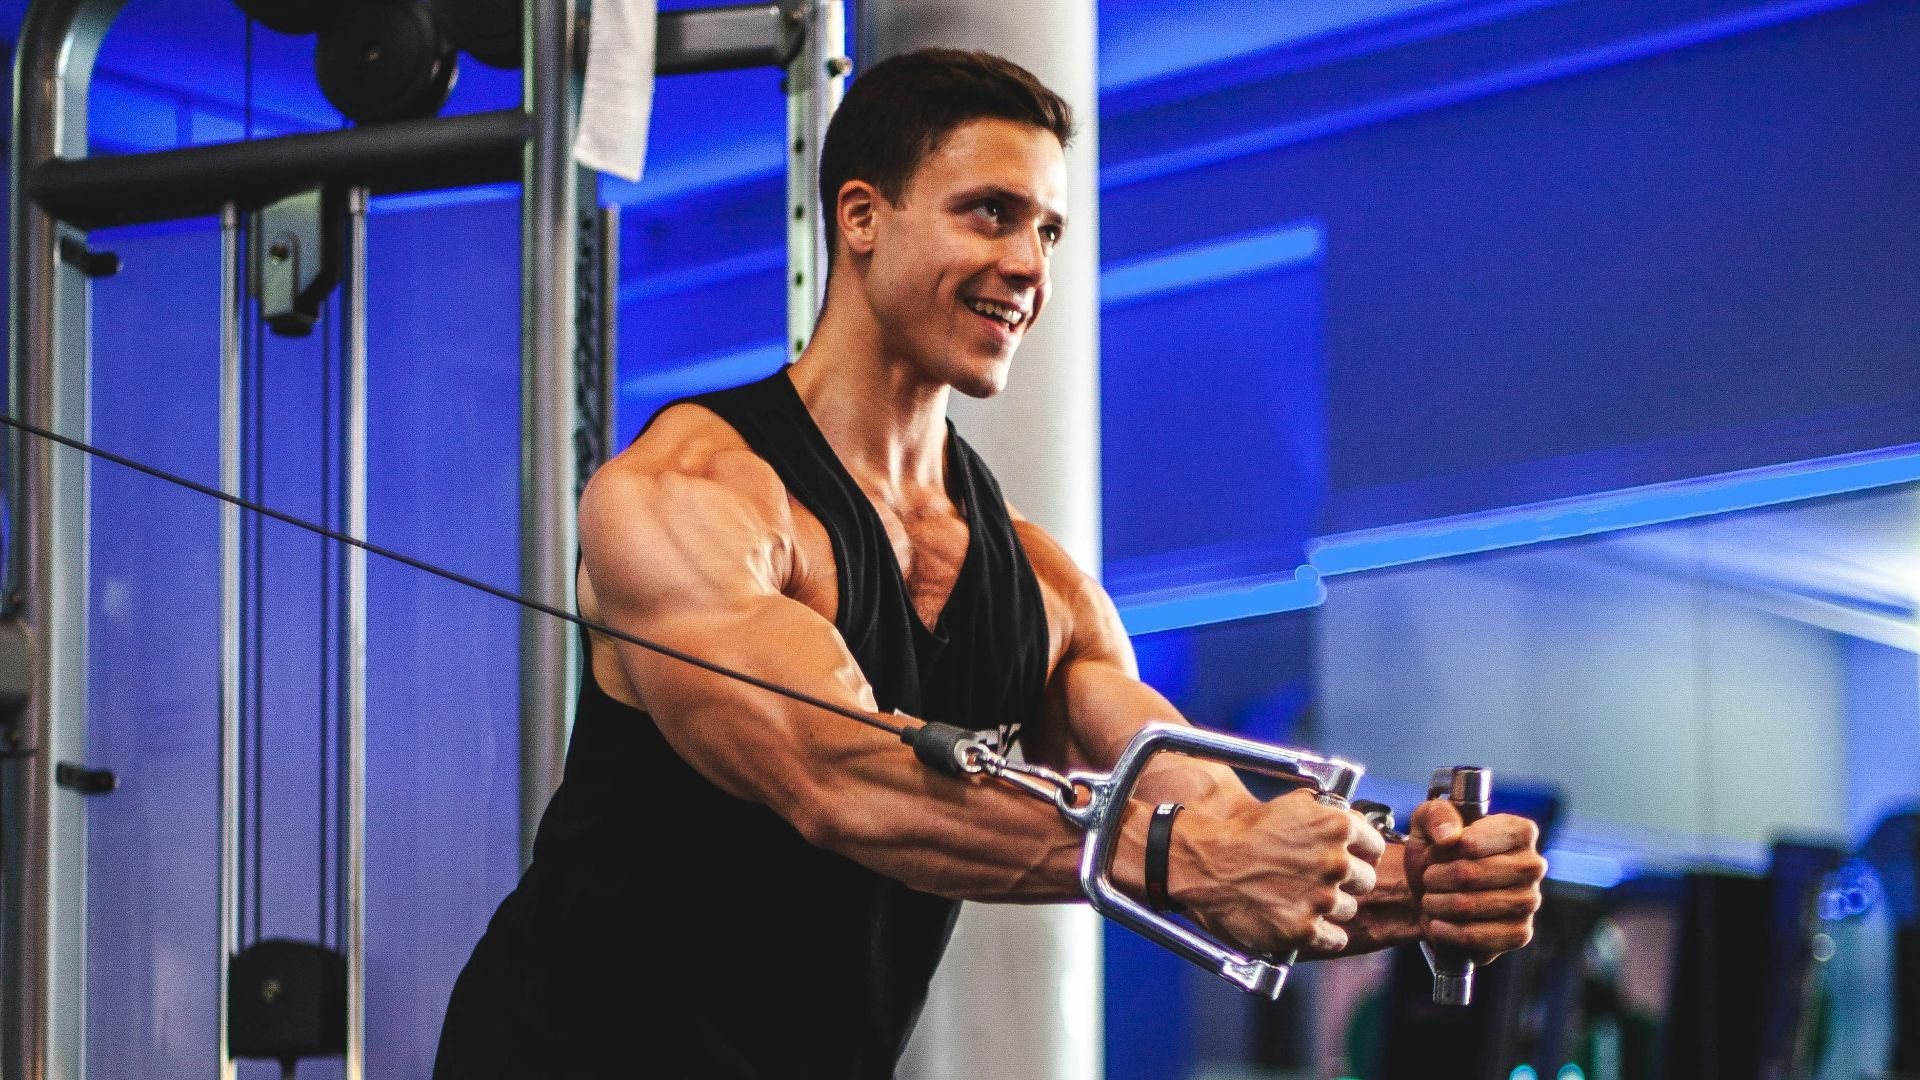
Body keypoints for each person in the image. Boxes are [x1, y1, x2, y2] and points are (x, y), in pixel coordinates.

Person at [434, 48, 1547, 1079]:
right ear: (861, 219)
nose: (1028, 264)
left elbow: (1192, 804)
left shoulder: (1041, 582)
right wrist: (1203, 860)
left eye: (1050, 232)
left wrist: (1399, 889)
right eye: (992, 214)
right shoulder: (688, 493)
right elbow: (838, 777)